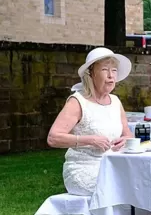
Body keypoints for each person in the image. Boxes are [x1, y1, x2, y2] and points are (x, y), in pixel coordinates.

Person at [47, 48, 133, 196]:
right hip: (83, 169)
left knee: (143, 181)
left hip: (113, 166)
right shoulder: (77, 101)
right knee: (120, 188)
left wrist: (125, 141)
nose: (111, 75)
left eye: (114, 70)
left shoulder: (115, 102)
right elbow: (53, 138)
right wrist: (90, 140)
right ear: (91, 74)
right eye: (105, 70)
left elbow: (129, 136)